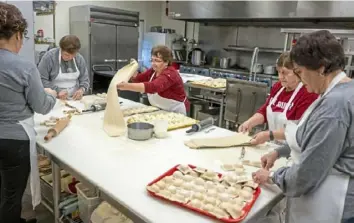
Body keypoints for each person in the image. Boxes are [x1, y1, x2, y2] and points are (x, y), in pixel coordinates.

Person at [253, 30, 354, 223]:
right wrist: (281, 151)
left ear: (321, 68)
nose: (300, 79)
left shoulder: (334, 107)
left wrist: (273, 177)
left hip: (334, 205)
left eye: (300, 72)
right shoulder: (343, 91)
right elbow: (313, 139)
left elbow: (307, 174)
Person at [0, 2, 57, 223]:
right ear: (17, 35)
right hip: (14, 139)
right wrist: (49, 94)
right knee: (12, 194)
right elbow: (42, 106)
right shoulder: (24, 67)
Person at [238, 52, 318, 145]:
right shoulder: (278, 87)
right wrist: (250, 122)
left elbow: (299, 130)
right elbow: (266, 109)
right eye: (279, 72)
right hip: (273, 144)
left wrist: (268, 135)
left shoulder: (307, 93)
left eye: (285, 73)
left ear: (298, 72)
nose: (280, 77)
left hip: (292, 149)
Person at [117, 45, 190, 115]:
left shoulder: (170, 73)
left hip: (176, 111)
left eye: (157, 61)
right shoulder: (153, 71)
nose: (153, 64)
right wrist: (132, 72)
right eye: (152, 60)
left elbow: (154, 87)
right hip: (161, 110)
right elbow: (139, 79)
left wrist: (126, 86)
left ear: (166, 62)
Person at [38, 35, 90, 101]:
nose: (70, 58)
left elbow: (85, 79)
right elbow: (41, 79)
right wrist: (57, 90)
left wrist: (82, 89)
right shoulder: (49, 57)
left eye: (73, 55)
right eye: (66, 55)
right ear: (61, 49)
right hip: (53, 98)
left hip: (74, 99)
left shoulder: (79, 58)